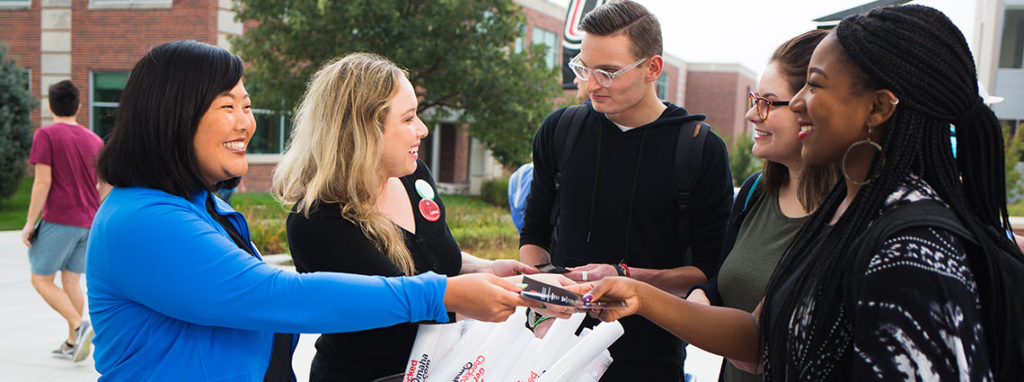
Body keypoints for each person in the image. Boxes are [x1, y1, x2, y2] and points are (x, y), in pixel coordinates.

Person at [579, 5, 1024, 381]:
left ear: (878, 108)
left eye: (815, 85)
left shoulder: (912, 248)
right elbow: (762, 339)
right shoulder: (849, 210)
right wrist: (638, 294)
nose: (795, 104)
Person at [86, 40, 540, 381]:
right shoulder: (142, 221)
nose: (247, 121)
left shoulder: (197, 206)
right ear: (173, 117)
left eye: (247, 105)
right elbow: (278, 297)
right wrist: (442, 296)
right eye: (228, 106)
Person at [274, 53, 555, 381]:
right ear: (365, 130)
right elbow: (404, 303)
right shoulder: (317, 221)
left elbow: (420, 255)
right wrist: (523, 290)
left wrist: (480, 267)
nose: (421, 129)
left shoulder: (413, 176)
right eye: (408, 119)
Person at [518, 1, 733, 379]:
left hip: (651, 357)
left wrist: (624, 275)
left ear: (653, 68)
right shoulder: (560, 130)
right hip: (553, 349)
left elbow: (707, 270)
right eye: (584, 67)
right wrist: (542, 305)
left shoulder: (699, 148)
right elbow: (534, 234)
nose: (591, 84)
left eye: (609, 72)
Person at [685, 30, 838, 382]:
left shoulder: (852, 213)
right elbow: (721, 284)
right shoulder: (755, 190)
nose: (752, 115)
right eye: (755, 99)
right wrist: (699, 298)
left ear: (812, 108)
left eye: (768, 102)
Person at [21, 79, 108, 363]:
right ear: (79, 107)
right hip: (89, 221)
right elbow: (105, 185)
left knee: (40, 279)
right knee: (71, 281)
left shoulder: (46, 135)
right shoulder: (94, 139)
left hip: (61, 218)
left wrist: (30, 222)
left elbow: (42, 182)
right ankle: (73, 342)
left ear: (49, 105)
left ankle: (78, 325)